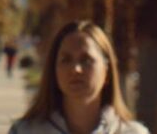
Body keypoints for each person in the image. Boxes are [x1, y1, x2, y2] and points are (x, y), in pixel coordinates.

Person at [9, 21, 148, 134]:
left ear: (107, 70)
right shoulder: (25, 131)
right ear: (54, 70)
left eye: (86, 60)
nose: (76, 69)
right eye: (66, 60)